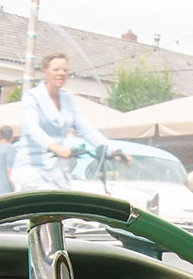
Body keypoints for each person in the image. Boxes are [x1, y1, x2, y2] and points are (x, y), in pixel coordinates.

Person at [13, 52, 129, 190]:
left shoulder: (68, 100)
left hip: (57, 169)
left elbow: (86, 130)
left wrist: (111, 150)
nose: (61, 73)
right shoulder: (32, 97)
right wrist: (55, 147)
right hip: (32, 168)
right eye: (56, 69)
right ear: (44, 72)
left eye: (65, 70)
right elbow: (32, 129)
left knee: (68, 205)